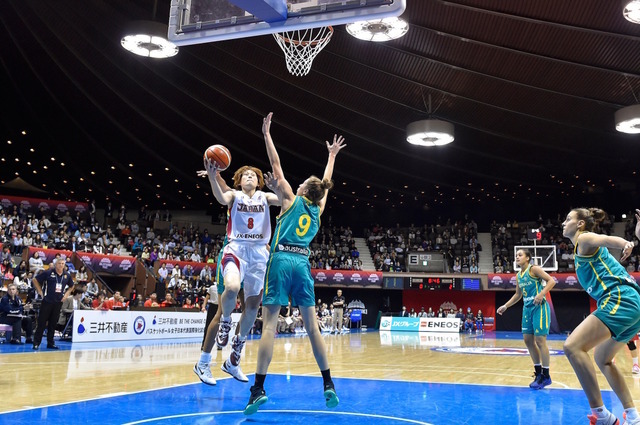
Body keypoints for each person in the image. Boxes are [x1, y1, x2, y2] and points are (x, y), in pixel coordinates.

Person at [243, 112, 345, 415]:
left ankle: (258, 388)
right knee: (313, 328)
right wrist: (331, 156)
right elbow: (324, 185)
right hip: (303, 264)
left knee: (270, 327)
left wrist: (266, 134)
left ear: (301, 190)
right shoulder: (318, 209)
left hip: (282, 260)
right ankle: (328, 384)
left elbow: (275, 165)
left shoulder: (290, 198)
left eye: (300, 183)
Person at [196, 151, 279, 385]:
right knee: (225, 303)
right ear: (239, 180)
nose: (250, 176)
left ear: (259, 181)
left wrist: (279, 186)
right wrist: (213, 177)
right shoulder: (234, 195)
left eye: (254, 174)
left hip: (259, 254)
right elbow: (222, 196)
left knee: (252, 307)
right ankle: (205, 359)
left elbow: (285, 199)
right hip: (235, 250)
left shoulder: (264, 197)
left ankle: (233, 358)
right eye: (245, 175)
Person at [561, 208, 640, 425]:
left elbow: (604, 238)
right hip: (632, 304)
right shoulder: (581, 249)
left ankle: (602, 416)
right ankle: (633, 417)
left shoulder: (584, 238)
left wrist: (625, 243)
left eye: (568, 219)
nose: (563, 223)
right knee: (601, 359)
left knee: (572, 347)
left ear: (580, 224)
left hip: (620, 299)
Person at [497, 249, 556, 390]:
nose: (517, 257)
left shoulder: (534, 269)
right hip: (527, 309)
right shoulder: (518, 276)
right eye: (516, 255)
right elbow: (518, 294)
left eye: (520, 255)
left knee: (540, 341)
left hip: (539, 307)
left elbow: (551, 281)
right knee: (528, 341)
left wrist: (541, 294)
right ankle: (538, 374)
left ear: (528, 258)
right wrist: (506, 306)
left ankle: (546, 375)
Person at [32, 258, 75, 350]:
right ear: (56, 264)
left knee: (53, 324)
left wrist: (66, 295)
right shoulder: (48, 273)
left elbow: (72, 286)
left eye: (63, 263)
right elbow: (35, 280)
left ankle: (50, 343)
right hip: (47, 301)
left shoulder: (66, 275)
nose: (61, 265)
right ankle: (36, 343)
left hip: (58, 302)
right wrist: (40, 291)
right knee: (42, 323)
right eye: (59, 263)